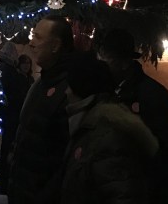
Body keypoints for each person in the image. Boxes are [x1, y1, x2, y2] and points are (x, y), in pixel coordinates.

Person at [98, 27, 168, 204]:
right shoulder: (105, 92)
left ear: (124, 62)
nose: (103, 65)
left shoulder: (153, 95)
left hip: (146, 190)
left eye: (107, 59)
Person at [60, 51, 159, 204]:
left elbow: (123, 194)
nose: (66, 92)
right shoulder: (90, 128)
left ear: (81, 89)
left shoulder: (106, 137)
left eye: (70, 86)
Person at [8, 16, 74, 204]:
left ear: (55, 46)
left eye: (38, 37)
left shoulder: (69, 89)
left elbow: (65, 156)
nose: (31, 42)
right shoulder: (41, 83)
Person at [0, 42, 31, 193]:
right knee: (9, 147)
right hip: (13, 116)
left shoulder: (1, 69)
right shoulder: (12, 73)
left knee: (6, 147)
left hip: (6, 115)